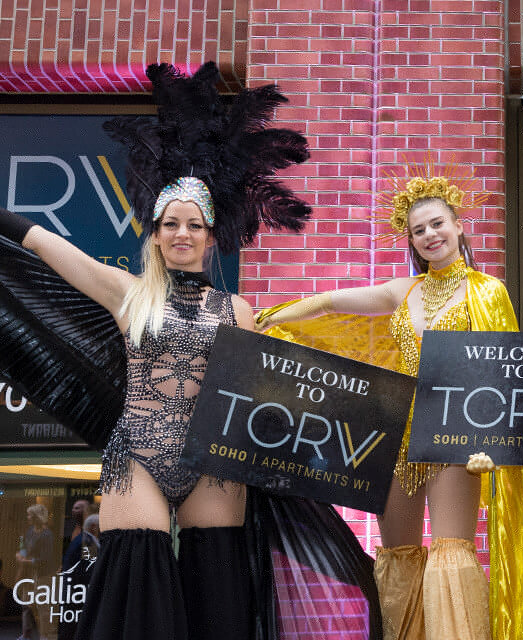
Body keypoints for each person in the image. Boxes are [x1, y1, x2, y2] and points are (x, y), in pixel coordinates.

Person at [0, 62, 312, 640]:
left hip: (214, 464)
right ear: (156, 233)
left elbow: (265, 398)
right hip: (138, 452)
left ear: (212, 235)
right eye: (170, 224)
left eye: (193, 224)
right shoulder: (128, 294)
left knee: (217, 599)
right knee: (134, 594)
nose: (181, 234)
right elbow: (50, 247)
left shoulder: (240, 312)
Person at [257, 164, 523, 639]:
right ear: (412, 241)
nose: (429, 235)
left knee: (450, 551)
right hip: (398, 432)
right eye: (418, 230)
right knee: (397, 555)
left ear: (460, 226)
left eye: (437, 223)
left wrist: (490, 440)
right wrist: (268, 319)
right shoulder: (404, 290)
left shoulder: (488, 291)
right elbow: (329, 304)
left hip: (455, 435)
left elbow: (502, 371)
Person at [16, 504, 54, 640]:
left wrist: (26, 561)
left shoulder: (47, 535)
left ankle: (46, 635)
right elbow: (25, 547)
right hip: (29, 575)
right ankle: (26, 634)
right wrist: (21, 554)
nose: (28, 518)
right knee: (26, 604)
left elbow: (46, 558)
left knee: (43, 607)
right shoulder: (31, 531)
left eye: (30, 515)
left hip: (42, 575)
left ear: (37, 517)